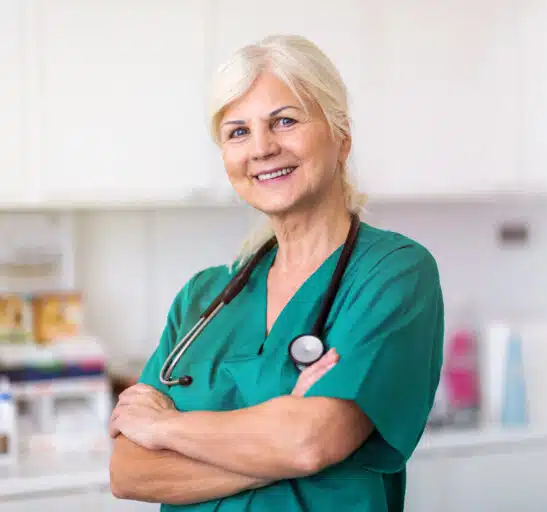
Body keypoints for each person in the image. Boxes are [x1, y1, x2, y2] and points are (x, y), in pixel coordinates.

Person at [108, 34, 445, 511]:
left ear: (341, 136)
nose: (262, 148)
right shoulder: (204, 297)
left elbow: (311, 442)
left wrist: (165, 428)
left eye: (284, 121)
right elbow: (128, 471)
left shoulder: (392, 273)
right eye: (237, 132)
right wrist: (274, 443)